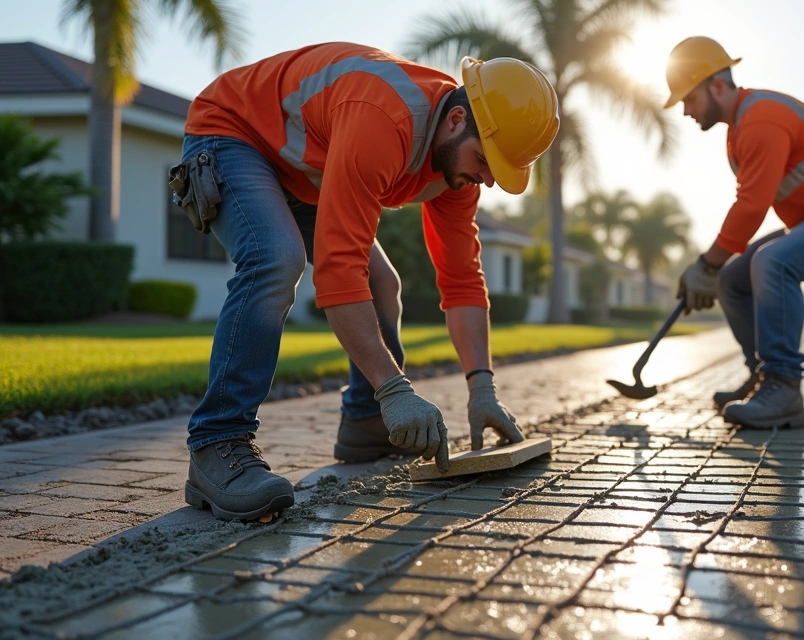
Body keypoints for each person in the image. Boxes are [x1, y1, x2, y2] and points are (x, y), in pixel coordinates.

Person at [175, 42, 559, 520]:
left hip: (305, 171)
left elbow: (462, 278)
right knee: (275, 259)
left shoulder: (456, 164)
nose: (486, 179)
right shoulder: (384, 116)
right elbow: (338, 271)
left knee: (382, 284)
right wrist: (395, 388)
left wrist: (483, 388)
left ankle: (365, 421)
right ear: (457, 120)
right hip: (233, 135)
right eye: (485, 161)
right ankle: (217, 443)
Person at [664, 37, 804, 429]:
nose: (684, 110)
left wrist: (705, 264)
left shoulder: (761, 118)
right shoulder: (739, 129)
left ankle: (783, 386)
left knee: (773, 261)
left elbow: (752, 205)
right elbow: (749, 205)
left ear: (717, 85)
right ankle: (764, 380)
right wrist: (716, 268)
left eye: (689, 98)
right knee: (733, 277)